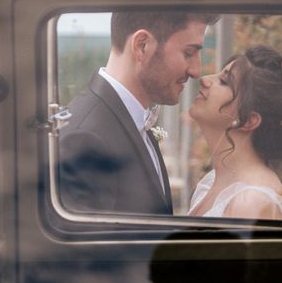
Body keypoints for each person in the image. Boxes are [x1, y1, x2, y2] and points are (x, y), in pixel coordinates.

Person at [58, 11, 219, 215]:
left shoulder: (132, 119)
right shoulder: (84, 141)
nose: (197, 70)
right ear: (142, 46)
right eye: (188, 53)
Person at [187, 45, 282, 220]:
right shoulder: (209, 184)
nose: (204, 79)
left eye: (224, 81)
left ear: (249, 121)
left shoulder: (253, 202)